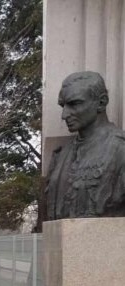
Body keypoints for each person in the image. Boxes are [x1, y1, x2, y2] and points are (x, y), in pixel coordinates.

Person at [45, 71, 125, 221]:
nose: (64, 115)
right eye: (63, 106)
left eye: (74, 104)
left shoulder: (120, 149)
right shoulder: (60, 154)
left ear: (101, 103)